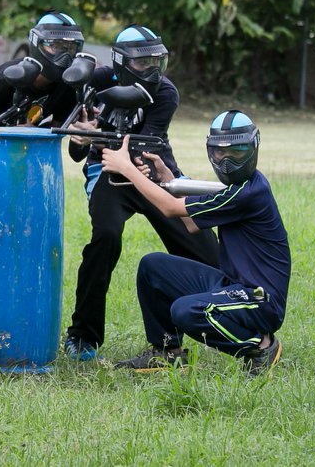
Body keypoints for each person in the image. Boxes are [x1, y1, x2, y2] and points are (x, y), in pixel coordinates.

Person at [61, 25, 219, 361]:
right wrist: (81, 136)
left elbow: (147, 144)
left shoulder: (165, 92)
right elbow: (76, 152)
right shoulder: (98, 82)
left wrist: (127, 155)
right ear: (120, 62)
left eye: (155, 62)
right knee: (105, 238)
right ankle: (83, 336)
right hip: (107, 170)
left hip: (154, 169)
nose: (151, 70)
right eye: (141, 62)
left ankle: (234, 319)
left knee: (203, 245)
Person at [101, 109, 289, 376]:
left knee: (187, 311)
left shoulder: (248, 192)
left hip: (260, 299)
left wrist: (128, 169)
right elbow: (190, 221)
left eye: (237, 151)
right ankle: (168, 353)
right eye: (219, 153)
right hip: (234, 286)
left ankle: (262, 346)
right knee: (153, 266)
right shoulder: (239, 190)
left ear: (254, 147)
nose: (226, 161)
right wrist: (170, 179)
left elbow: (169, 209)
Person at [0, 11, 85, 127]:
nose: (65, 56)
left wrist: (32, 133)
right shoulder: (8, 76)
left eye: (71, 47)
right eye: (56, 46)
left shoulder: (68, 83)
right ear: (36, 43)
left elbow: (57, 131)